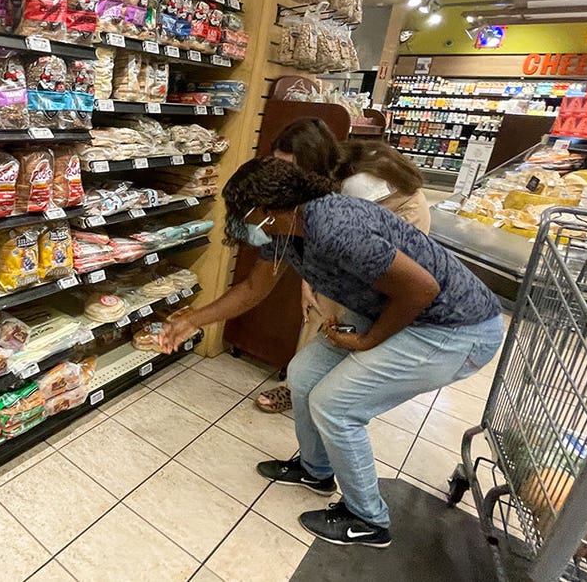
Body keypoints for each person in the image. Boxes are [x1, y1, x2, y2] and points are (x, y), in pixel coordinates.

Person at [159, 158, 503, 547]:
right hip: (396, 311)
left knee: (336, 406)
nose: (242, 223)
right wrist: (194, 320)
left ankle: (368, 519)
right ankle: (315, 470)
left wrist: (369, 340)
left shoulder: (335, 229)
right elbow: (255, 288)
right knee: (304, 374)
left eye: (244, 213)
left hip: (453, 327)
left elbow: (421, 290)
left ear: (269, 211)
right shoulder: (283, 232)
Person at [257, 119, 431, 413]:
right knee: (317, 303)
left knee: (358, 301)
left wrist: (312, 278)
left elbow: (332, 243)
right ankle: (298, 385)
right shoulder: (328, 169)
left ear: (311, 161)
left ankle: (332, 391)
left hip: (400, 214)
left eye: (289, 168)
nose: (284, 177)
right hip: (365, 215)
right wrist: (308, 281)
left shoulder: (352, 187)